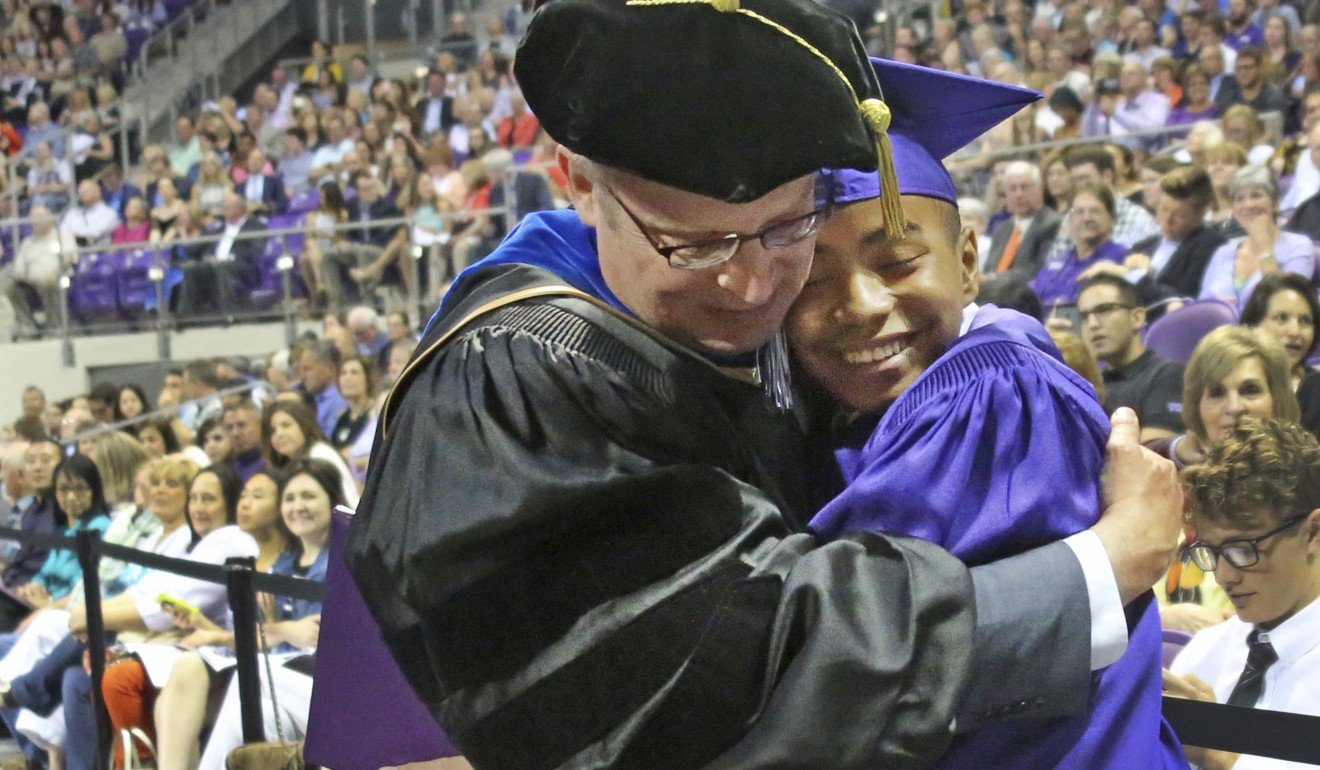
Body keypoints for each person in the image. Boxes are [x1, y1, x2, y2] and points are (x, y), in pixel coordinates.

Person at [340, 2, 1184, 766]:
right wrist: (1096, 573)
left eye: (788, 230)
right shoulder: (515, 379)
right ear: (582, 186)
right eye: (694, 245)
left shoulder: (950, 371)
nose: (751, 289)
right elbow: (732, 683)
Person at [787, 59, 1183, 769]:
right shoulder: (890, 397)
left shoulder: (995, 394)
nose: (861, 304)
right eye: (809, 278)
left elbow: (840, 645)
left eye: (901, 260)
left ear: (968, 261)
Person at [1166, 418, 1320, 770]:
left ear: (1313, 531)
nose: (1223, 576)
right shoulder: (1204, 653)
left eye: (1241, 549)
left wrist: (1225, 761)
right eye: (1211, 551)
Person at [1092, 167, 1226, 314]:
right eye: (1164, 209)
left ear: (1201, 213)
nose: (1167, 220)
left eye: (1180, 215)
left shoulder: (1210, 246)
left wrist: (1133, 274)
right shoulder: (1143, 246)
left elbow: (1182, 300)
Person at [1077, 276, 1186, 441]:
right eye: (1084, 316)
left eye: (1104, 309)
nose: (1092, 324)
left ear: (1137, 318)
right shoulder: (1087, 385)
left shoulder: (1168, 375)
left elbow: (1155, 454)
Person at [1199, 166, 1315, 310]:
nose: (1248, 205)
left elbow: (1284, 305)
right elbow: (1201, 307)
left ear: (1275, 203)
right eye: (1239, 199)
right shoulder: (1223, 252)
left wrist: (1265, 247)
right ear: (1234, 210)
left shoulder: (1298, 246)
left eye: (1256, 196)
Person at [1031, 183, 1130, 306]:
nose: (1086, 218)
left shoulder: (1122, 259)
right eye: (1079, 212)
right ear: (1071, 219)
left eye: (1094, 211)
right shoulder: (1056, 264)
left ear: (1112, 217)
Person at [174, 193, 266, 319]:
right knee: (192, 270)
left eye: (226, 208)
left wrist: (230, 258)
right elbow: (194, 251)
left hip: (239, 265)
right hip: (212, 264)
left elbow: (256, 250)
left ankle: (228, 314)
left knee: (221, 267)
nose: (222, 212)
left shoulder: (255, 226)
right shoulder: (217, 229)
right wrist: (183, 234)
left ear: (238, 208)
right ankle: (186, 317)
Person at [261, 401, 357, 507]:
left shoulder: (321, 455)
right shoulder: (286, 465)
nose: (279, 434)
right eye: (272, 431)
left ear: (304, 425)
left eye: (286, 425)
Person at [984, 160, 1063, 279]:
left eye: (1025, 187)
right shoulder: (1001, 229)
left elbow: (1037, 271)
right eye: (1012, 188)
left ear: (1040, 189)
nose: (1018, 194)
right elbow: (988, 270)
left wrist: (992, 279)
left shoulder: (1053, 224)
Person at [4, 205, 74, 336]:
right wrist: (21, 275)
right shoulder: (28, 242)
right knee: (10, 287)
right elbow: (18, 266)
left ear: (49, 217)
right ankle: (27, 325)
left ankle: (55, 326)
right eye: (34, 218)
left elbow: (68, 258)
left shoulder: (62, 234)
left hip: (56, 277)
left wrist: (55, 273)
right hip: (31, 281)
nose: (37, 221)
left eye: (40, 217)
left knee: (48, 284)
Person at [221, 400, 265, 482]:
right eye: (229, 428)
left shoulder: (275, 463)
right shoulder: (226, 470)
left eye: (241, 425)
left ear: (260, 426)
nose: (235, 433)